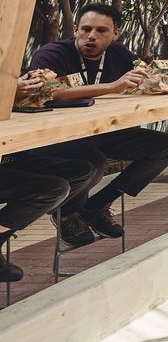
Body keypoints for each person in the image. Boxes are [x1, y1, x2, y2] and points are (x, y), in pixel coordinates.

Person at [18, 2, 168, 246]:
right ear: (76, 29)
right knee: (94, 161)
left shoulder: (118, 53)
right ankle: (66, 213)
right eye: (85, 29)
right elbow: (45, 91)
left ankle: (97, 205)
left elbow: (145, 76)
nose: (91, 36)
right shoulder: (52, 54)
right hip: (56, 137)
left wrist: (160, 83)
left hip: (101, 130)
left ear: (115, 34)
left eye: (101, 31)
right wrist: (112, 87)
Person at [1, 75, 105, 281]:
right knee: (54, 188)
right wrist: (7, 91)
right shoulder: (54, 52)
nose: (92, 39)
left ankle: (89, 210)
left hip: (12, 149)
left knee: (84, 171)